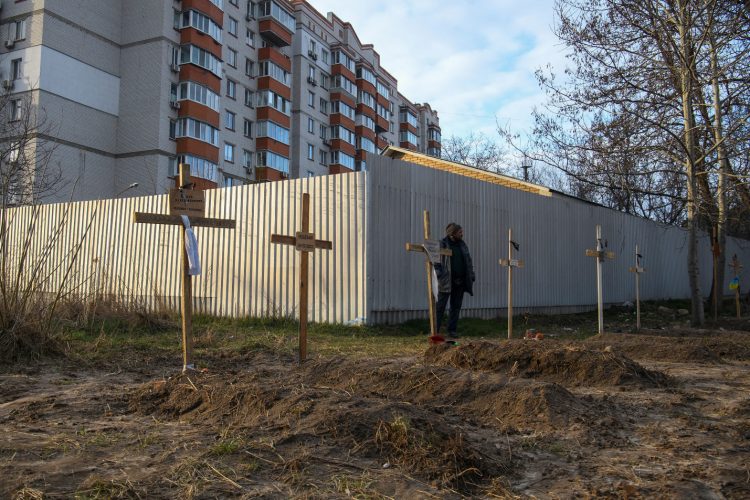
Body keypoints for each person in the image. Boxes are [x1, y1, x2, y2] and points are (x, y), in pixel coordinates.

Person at [434, 223, 475, 338]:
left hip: (460, 281)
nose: (462, 234)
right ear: (452, 234)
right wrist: (439, 274)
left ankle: (452, 331)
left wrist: (471, 274)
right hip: (446, 281)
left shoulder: (462, 245)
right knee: (440, 307)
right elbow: (436, 261)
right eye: (459, 232)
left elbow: (468, 261)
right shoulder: (442, 244)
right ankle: (434, 331)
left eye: (461, 232)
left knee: (455, 307)